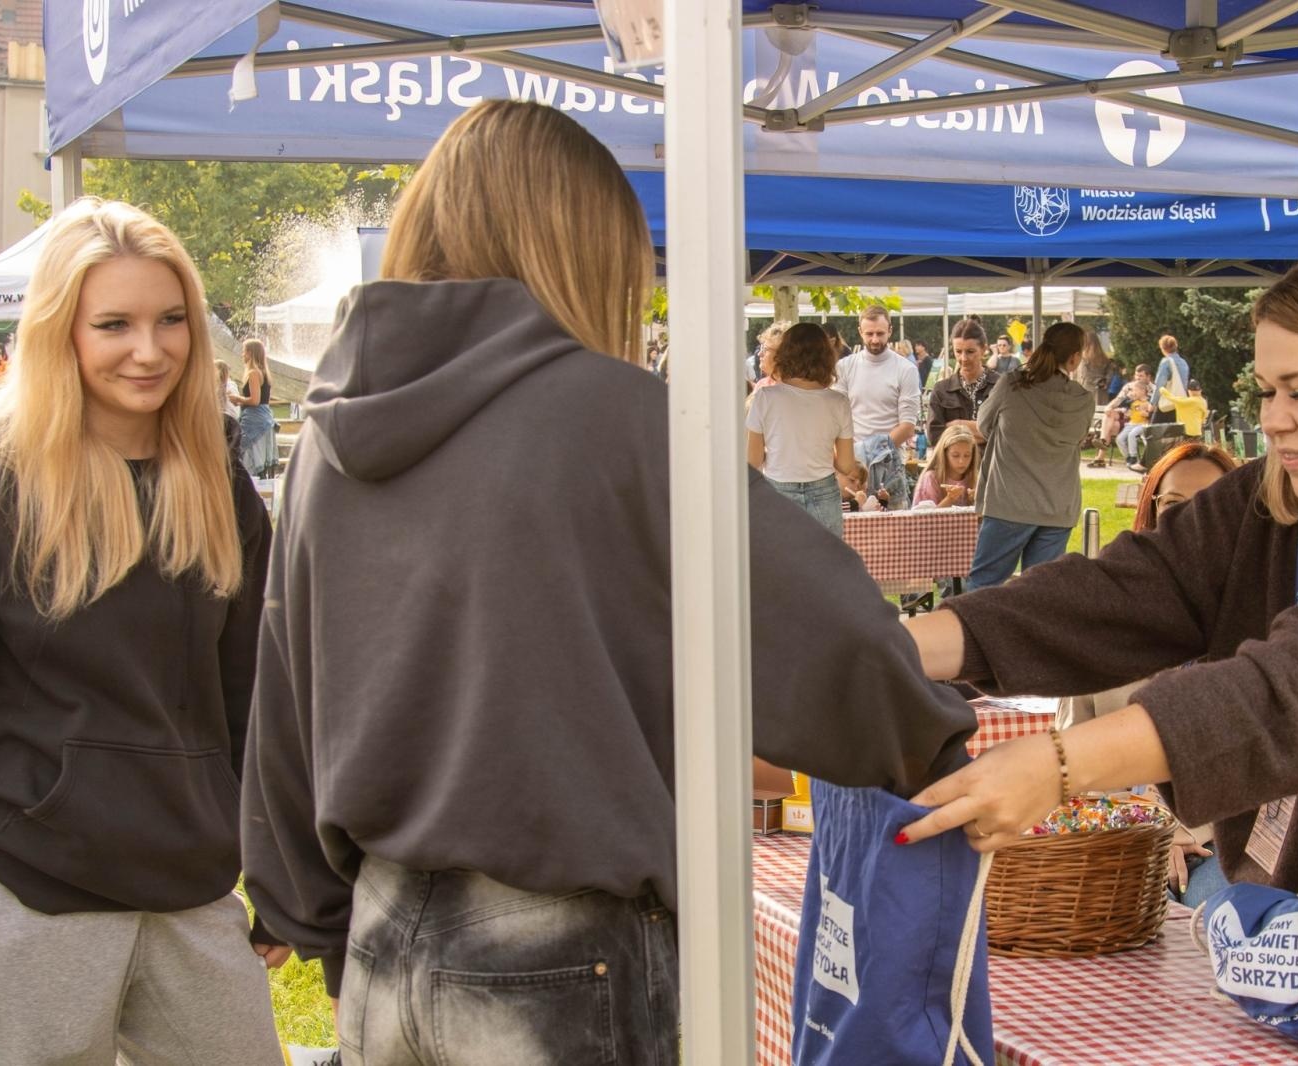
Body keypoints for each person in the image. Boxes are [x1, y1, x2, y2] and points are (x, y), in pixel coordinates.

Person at [240, 100, 978, 1066]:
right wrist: (932, 736)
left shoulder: (326, 442)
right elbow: (828, 632)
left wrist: (321, 923)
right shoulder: (616, 415)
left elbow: (284, 711)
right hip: (558, 947)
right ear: (585, 251)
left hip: (383, 945)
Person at [895, 245, 1298, 921]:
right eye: (1267, 391)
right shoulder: (1270, 498)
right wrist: (898, 648)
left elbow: (1277, 696)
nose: (1274, 418)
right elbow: (1120, 594)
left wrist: (1056, 766)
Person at [0, 198, 285, 1061]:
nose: (150, 349)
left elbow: (266, 700)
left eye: (172, 321)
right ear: (62, 332)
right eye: (114, 324)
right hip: (33, 887)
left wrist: (282, 868)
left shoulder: (218, 483)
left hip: (192, 885)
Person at [1061, 443, 1242, 904]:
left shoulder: (1265, 620)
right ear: (1150, 512)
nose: (1192, 520)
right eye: (1174, 504)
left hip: (1222, 844)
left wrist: (1185, 830)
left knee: (1226, 920)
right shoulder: (1103, 623)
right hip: (1117, 842)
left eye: (1213, 503)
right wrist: (1149, 830)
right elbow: (1070, 769)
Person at [965, 322, 1094, 590]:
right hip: (1058, 505)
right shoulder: (1083, 399)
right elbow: (1078, 437)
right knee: (1039, 594)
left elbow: (984, 425)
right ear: (1074, 358)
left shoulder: (1012, 384)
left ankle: (978, 633)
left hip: (1010, 502)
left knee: (983, 586)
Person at [747, 322, 861, 537]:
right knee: (825, 564)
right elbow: (846, 464)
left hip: (778, 489)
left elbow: (752, 460)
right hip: (824, 491)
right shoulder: (838, 402)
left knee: (782, 565)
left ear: (785, 355)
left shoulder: (765, 397)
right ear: (826, 357)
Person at [835, 305, 920, 510]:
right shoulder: (844, 366)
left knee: (894, 534)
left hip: (889, 464)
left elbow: (908, 425)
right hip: (851, 466)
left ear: (890, 330)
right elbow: (835, 417)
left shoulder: (906, 369)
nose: (875, 340)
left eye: (880, 333)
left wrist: (872, 453)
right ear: (860, 332)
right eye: (869, 334)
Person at [925, 317, 999, 446]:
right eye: (958, 352)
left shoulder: (1000, 386)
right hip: (954, 466)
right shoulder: (941, 390)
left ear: (983, 349)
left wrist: (956, 426)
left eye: (970, 351)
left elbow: (1007, 434)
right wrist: (984, 432)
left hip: (990, 465)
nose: (963, 358)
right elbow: (934, 436)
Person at [235, 338, 278, 477]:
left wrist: (238, 399)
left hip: (255, 421)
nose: (242, 355)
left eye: (244, 351)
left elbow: (255, 400)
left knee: (247, 458)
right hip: (264, 418)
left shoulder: (253, 373)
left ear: (250, 353)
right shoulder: (264, 373)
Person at [913, 423, 979, 508]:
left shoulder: (975, 478)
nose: (961, 461)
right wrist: (949, 499)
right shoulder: (931, 478)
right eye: (955, 455)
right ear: (944, 454)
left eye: (967, 455)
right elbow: (926, 517)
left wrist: (977, 501)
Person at [1151, 333, 1191, 425]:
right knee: (1176, 433)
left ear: (1162, 348)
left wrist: (1153, 403)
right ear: (1175, 346)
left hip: (1167, 403)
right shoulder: (1183, 362)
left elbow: (1160, 385)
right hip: (1181, 402)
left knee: (1153, 433)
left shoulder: (1166, 362)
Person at [1114, 381, 1154, 472]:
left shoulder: (1149, 401)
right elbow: (1126, 409)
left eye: (1135, 390)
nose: (1133, 392)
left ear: (1143, 391)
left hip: (1142, 424)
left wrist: (1147, 414)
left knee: (1132, 435)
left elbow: (1153, 413)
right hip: (1131, 423)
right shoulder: (1132, 401)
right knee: (1119, 439)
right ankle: (1128, 458)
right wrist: (1122, 410)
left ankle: (1133, 456)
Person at [1165, 377, 1209, 442]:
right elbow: (1204, 416)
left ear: (1189, 391)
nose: (1195, 392)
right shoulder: (1203, 401)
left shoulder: (1192, 401)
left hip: (1187, 432)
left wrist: (1162, 390)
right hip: (1197, 431)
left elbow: (1175, 400)